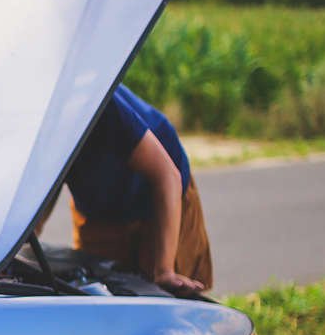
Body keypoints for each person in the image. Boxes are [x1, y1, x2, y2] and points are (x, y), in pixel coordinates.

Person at [59, 84, 213, 296]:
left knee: (166, 296)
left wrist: (165, 270)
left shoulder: (96, 102)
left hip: (161, 196)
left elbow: (167, 176)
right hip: (98, 209)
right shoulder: (24, 121)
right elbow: (40, 187)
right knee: (96, 294)